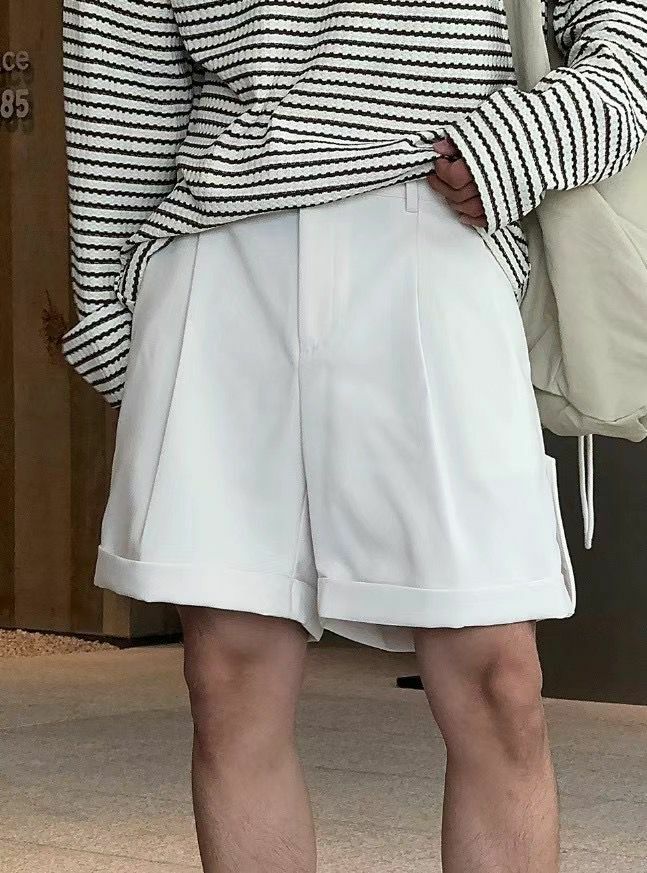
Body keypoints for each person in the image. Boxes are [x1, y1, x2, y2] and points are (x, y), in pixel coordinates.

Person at [60, 1, 647, 870]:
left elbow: (628, 35)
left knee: (495, 680)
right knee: (229, 677)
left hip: (436, 231)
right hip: (221, 253)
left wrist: (527, 140)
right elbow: (118, 82)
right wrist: (119, 331)